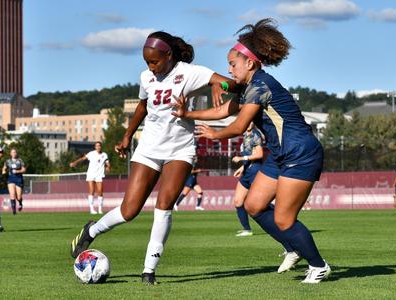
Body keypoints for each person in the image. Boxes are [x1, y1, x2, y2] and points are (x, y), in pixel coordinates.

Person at [70, 31, 237, 285]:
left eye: (155, 62)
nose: (151, 67)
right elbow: (142, 106)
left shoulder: (188, 72)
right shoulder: (146, 77)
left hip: (180, 150)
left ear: (168, 55)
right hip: (148, 148)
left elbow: (232, 84)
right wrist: (127, 135)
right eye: (147, 62)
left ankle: (149, 270)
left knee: (164, 207)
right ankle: (91, 230)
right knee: (129, 210)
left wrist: (218, 84)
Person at [173, 19, 330, 283]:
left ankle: (319, 265)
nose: (229, 69)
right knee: (254, 205)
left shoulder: (260, 86)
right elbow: (224, 110)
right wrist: (188, 113)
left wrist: (214, 133)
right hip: (281, 154)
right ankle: (293, 247)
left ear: (250, 63)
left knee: (284, 219)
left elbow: (238, 126)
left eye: (232, 64)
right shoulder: (250, 87)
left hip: (300, 153)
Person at [231, 123, 264, 237]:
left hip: (255, 172)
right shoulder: (245, 134)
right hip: (246, 172)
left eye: (251, 121)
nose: (249, 123)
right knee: (238, 201)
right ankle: (247, 230)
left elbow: (259, 154)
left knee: (259, 204)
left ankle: (281, 222)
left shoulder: (256, 135)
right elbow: (251, 154)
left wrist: (241, 158)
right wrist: (242, 168)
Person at [70, 142, 111, 214]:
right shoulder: (91, 153)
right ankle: (91, 209)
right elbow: (83, 158)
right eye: (97, 146)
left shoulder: (104, 155)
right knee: (91, 191)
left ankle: (100, 209)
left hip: (99, 175)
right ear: (95, 147)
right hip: (91, 174)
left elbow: (107, 163)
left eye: (99, 146)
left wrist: (108, 167)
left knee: (100, 192)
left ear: (101, 147)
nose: (98, 147)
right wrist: (75, 162)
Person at [2, 148, 27, 214]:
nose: (14, 153)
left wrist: (17, 171)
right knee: (12, 194)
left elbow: (24, 170)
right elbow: (4, 167)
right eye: (12, 152)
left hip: (19, 179)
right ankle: (14, 210)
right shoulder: (7, 161)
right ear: (10, 153)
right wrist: (3, 171)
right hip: (11, 179)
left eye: (15, 152)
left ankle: (20, 203)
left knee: (18, 196)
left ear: (16, 153)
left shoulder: (20, 160)